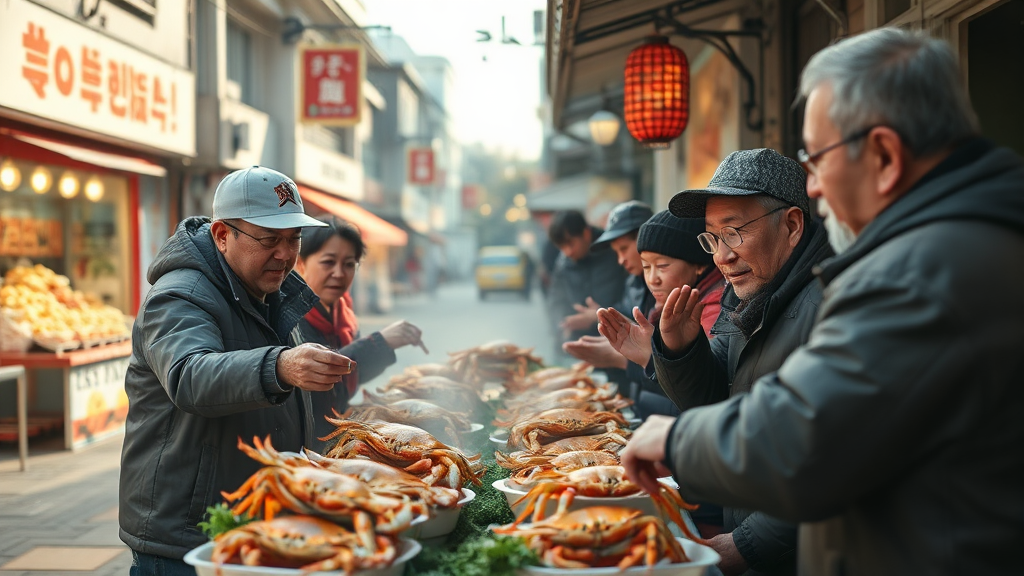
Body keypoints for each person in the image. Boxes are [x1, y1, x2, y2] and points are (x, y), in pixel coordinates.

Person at [622, 28, 1024, 576]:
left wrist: (676, 439)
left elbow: (811, 437)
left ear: (883, 154)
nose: (812, 187)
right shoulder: (965, 239)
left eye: (818, 158)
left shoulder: (922, 268)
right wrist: (678, 351)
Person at [119, 166, 354, 575]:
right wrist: (280, 365)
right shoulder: (180, 295)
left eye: (293, 239)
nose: (284, 253)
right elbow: (190, 376)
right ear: (222, 236)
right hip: (188, 537)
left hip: (252, 523)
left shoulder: (270, 290)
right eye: (269, 239)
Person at [617, 149, 833, 576]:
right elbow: (713, 399)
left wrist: (749, 544)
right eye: (712, 238)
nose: (721, 256)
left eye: (733, 232)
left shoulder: (830, 307)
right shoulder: (748, 297)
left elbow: (837, 457)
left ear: (791, 225)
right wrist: (680, 350)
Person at [291, 216, 427, 450]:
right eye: (328, 262)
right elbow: (312, 389)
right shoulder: (289, 319)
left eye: (349, 264)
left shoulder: (344, 316)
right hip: (305, 448)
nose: (339, 273)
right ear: (300, 263)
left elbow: (347, 382)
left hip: (337, 438)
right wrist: (379, 343)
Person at [596, 210, 725, 420]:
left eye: (662, 266)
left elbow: (705, 391)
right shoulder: (665, 302)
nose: (652, 279)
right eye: (646, 267)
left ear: (699, 264)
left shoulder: (713, 307)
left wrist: (650, 356)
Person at [562, 201, 654, 387]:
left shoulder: (662, 287)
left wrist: (618, 358)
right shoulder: (633, 280)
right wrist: (600, 315)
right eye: (616, 252)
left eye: (624, 249)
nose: (620, 260)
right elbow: (627, 312)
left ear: (646, 239)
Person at [545, 210, 627, 345]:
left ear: (586, 233)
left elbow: (632, 299)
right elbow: (556, 299)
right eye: (562, 247)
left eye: (570, 244)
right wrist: (562, 325)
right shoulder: (563, 263)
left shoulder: (614, 252)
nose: (567, 252)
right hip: (576, 340)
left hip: (616, 340)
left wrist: (598, 316)